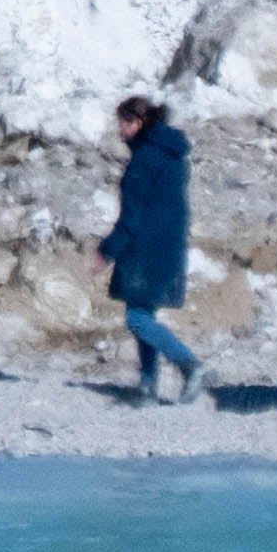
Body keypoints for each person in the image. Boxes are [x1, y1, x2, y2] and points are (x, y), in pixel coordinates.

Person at [98, 94, 206, 401]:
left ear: (137, 123)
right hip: (170, 246)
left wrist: (106, 251)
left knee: (137, 318)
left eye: (122, 122)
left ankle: (189, 364)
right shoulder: (172, 154)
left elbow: (131, 217)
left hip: (145, 249)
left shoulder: (143, 161)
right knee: (142, 311)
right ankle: (148, 385)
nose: (118, 129)